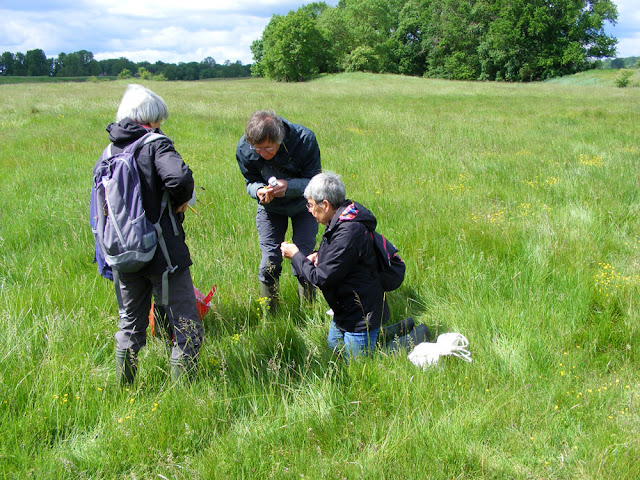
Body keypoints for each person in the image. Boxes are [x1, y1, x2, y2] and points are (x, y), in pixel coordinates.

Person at [96, 84, 204, 383]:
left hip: (121, 251)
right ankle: (186, 394)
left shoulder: (108, 151)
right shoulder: (156, 143)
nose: (160, 126)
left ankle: (124, 388)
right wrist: (181, 202)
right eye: (159, 120)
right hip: (161, 251)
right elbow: (179, 177)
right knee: (187, 325)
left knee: (130, 323)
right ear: (151, 118)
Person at [280, 172, 388, 360]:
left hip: (360, 316)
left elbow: (320, 278)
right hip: (344, 310)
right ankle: (391, 333)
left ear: (326, 205)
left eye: (311, 205)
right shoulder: (341, 218)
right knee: (334, 352)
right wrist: (319, 255)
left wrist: (296, 255)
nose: (309, 210)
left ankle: (411, 339)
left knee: (356, 366)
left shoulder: (348, 231)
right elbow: (340, 257)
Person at [236, 110, 321, 310]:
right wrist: (257, 190)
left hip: (304, 206)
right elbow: (250, 181)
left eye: (268, 148)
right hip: (270, 208)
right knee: (269, 262)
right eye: (257, 150)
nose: (263, 154)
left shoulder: (304, 139)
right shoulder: (244, 147)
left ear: (280, 139)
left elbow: (315, 181)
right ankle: (271, 316)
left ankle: (309, 313)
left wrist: (288, 186)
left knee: (304, 257)